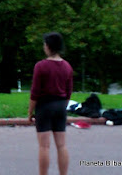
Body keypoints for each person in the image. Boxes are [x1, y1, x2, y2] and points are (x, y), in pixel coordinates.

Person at [28, 32, 73, 175]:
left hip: (45, 106)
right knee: (61, 145)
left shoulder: (41, 66)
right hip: (60, 106)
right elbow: (69, 91)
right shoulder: (67, 66)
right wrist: (62, 106)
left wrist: (30, 112)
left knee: (44, 147)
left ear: (48, 46)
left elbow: (35, 93)